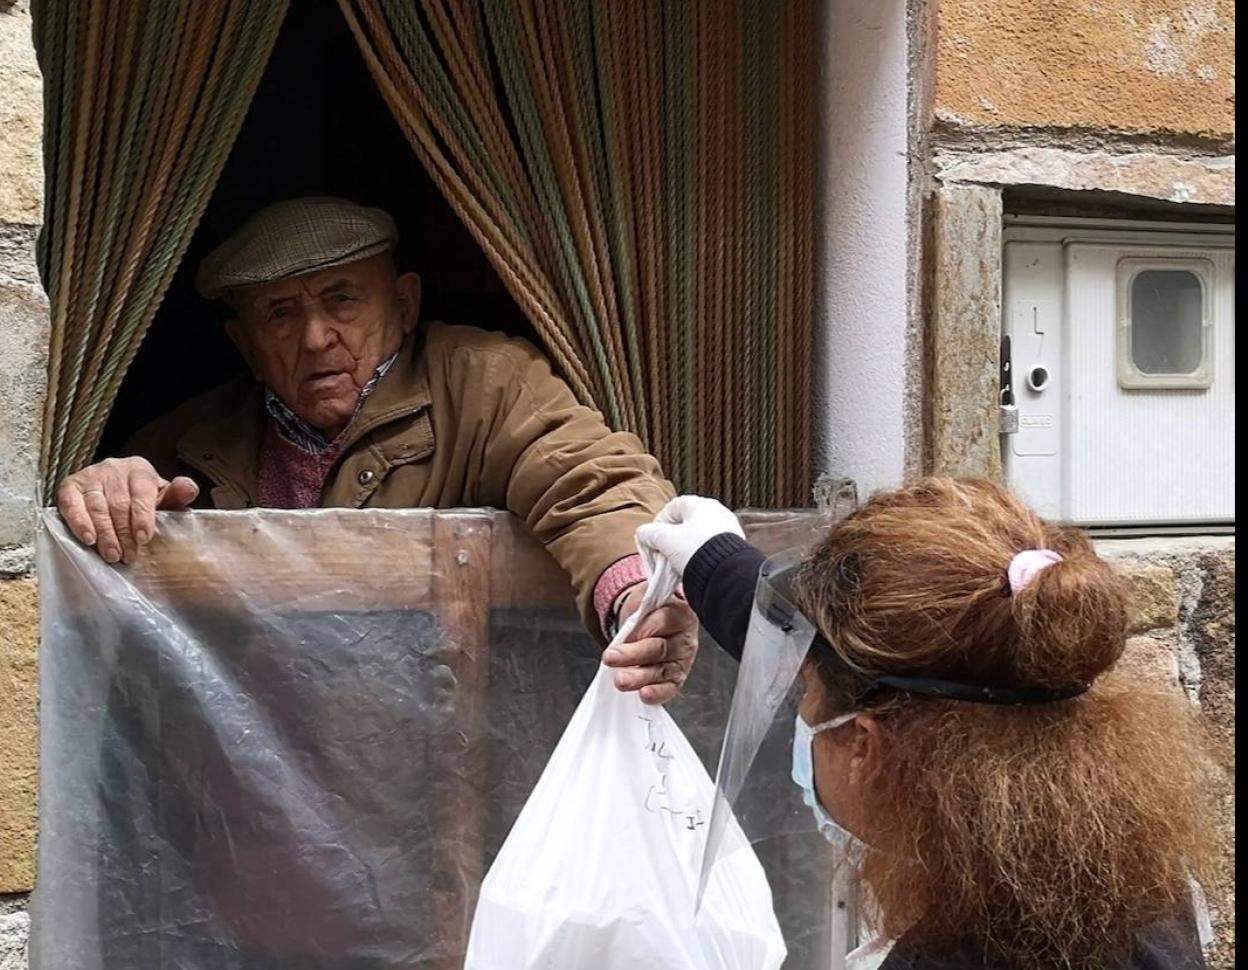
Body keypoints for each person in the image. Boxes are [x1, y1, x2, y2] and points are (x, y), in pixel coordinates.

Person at [55, 196, 696, 701]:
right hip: (244, 790)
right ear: (245, 344)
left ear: (405, 303)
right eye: (280, 314)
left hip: (442, 770)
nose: (316, 337)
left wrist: (637, 595)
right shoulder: (189, 440)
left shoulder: (484, 384)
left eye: (342, 299)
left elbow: (589, 480)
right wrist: (104, 493)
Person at [639, 478, 1218, 970]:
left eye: (806, 695)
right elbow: (838, 649)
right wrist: (713, 559)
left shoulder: (946, 956)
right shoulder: (1143, 887)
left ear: (864, 743)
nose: (798, 701)